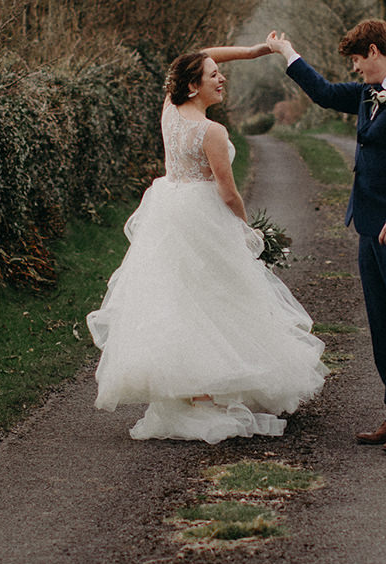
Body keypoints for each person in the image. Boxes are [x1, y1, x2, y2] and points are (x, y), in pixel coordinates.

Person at [87, 45, 327, 443]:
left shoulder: (169, 108)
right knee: (219, 298)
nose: (221, 79)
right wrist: (249, 233)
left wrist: (251, 53)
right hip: (203, 216)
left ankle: (191, 389)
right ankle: (206, 391)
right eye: (213, 75)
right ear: (194, 85)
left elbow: (196, 54)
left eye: (221, 72)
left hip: (168, 211)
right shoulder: (211, 131)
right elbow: (229, 193)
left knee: (179, 300)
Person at [267, 21, 386, 455]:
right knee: (383, 324)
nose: (355, 69)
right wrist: (287, 53)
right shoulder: (371, 93)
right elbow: (325, 93)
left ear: (373, 50)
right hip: (370, 226)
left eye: (356, 60)